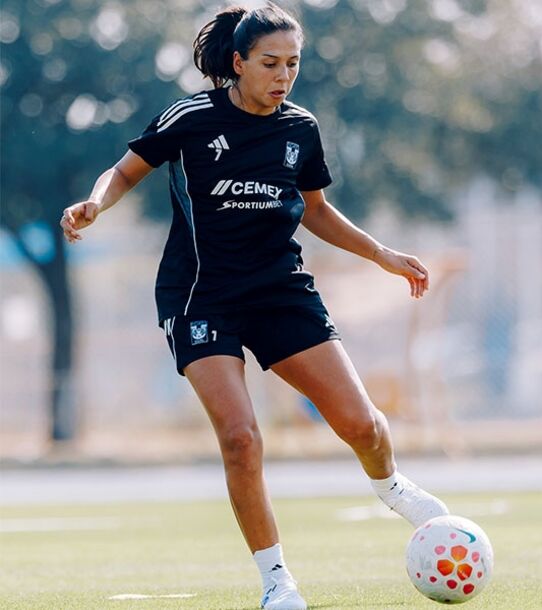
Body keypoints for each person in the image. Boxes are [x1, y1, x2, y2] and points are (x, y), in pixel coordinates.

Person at [59, 5, 450, 608]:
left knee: (364, 425)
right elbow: (125, 170)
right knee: (241, 438)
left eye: (293, 64)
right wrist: (93, 204)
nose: (283, 75)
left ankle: (393, 486)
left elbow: (315, 209)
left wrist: (382, 254)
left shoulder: (301, 128)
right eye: (270, 63)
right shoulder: (191, 117)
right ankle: (277, 583)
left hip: (279, 289)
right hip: (201, 293)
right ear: (238, 64)